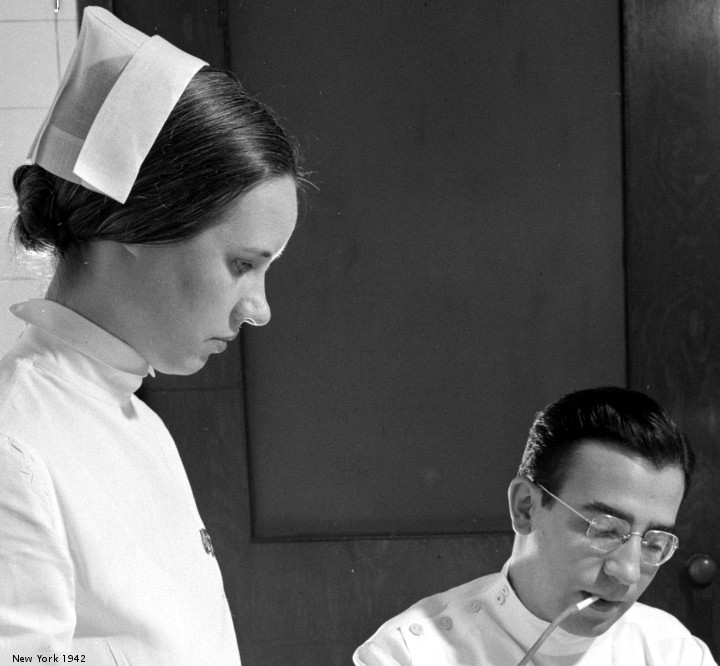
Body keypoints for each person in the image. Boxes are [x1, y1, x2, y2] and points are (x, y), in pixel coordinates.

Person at [0, 6, 301, 664]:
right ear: (137, 225)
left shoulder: (139, 424)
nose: (259, 310)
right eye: (242, 265)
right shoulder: (14, 448)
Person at [353, 387, 717, 665]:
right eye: (605, 528)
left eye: (653, 542)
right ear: (525, 507)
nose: (628, 572)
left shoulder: (674, 653)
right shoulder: (409, 654)